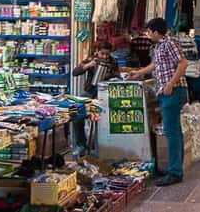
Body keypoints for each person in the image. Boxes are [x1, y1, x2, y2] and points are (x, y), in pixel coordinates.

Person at [129, 18, 189, 187]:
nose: (148, 35)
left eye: (149, 32)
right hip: (166, 91)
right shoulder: (159, 46)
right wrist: (138, 73)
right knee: (173, 131)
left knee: (171, 132)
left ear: (156, 32)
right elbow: (155, 65)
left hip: (173, 91)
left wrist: (171, 83)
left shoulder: (169, 42)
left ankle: (175, 172)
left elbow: (183, 63)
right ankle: (174, 168)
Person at [71, 41, 118, 153]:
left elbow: (117, 75)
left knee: (101, 120)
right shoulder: (91, 59)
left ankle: (99, 147)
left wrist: (112, 76)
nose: (105, 57)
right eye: (102, 54)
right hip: (89, 93)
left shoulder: (113, 62)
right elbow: (75, 72)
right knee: (77, 114)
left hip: (104, 95)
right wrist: (88, 66)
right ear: (97, 52)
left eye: (107, 54)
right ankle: (81, 144)